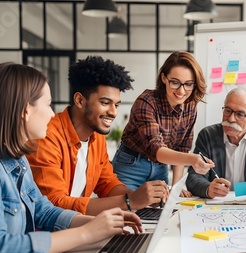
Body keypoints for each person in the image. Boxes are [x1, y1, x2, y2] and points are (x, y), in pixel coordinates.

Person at [0, 63, 143, 253]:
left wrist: (101, 225)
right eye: (48, 104)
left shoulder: (17, 159)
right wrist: (86, 234)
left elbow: (44, 210)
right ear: (25, 110)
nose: (52, 114)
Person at [27, 56, 168, 216]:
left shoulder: (96, 137)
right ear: (80, 100)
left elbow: (106, 183)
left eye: (116, 105)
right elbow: (54, 204)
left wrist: (143, 198)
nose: (113, 112)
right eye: (105, 103)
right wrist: (130, 201)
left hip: (79, 227)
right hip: (54, 234)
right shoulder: (47, 137)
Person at [112, 51, 213, 196]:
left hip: (160, 169)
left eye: (188, 84)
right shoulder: (146, 102)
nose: (181, 90)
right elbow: (156, 149)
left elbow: (182, 149)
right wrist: (193, 159)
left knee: (158, 214)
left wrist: (176, 188)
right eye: (175, 82)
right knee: (125, 212)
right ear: (164, 78)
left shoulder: (190, 106)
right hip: (131, 166)